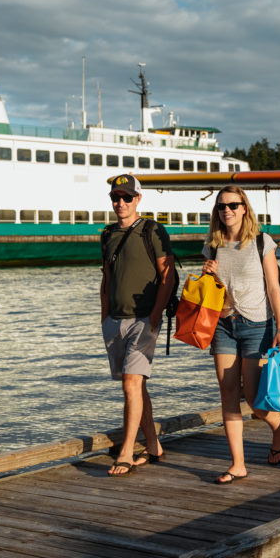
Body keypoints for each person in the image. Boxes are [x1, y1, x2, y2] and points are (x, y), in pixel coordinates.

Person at [201, 185, 280, 484]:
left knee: (253, 398)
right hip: (223, 324)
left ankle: (279, 429)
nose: (226, 210)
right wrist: (207, 274)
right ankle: (237, 464)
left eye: (232, 205)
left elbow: (274, 287)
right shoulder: (212, 245)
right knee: (227, 392)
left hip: (257, 325)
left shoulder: (261, 242)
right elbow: (209, 291)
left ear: (244, 208)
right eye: (221, 206)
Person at [100, 174, 176, 476]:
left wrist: (155, 315)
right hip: (114, 321)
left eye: (126, 198)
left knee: (131, 384)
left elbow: (167, 275)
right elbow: (106, 277)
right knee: (135, 386)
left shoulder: (152, 230)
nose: (120, 203)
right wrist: (103, 316)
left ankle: (127, 452)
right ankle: (154, 445)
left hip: (144, 319)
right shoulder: (107, 234)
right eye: (115, 198)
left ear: (138, 199)